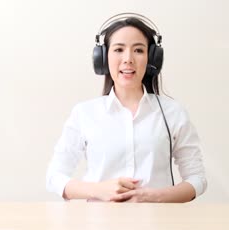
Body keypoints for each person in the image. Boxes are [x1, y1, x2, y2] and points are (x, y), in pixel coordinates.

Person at [46, 13, 207, 202]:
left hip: (157, 226)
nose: (128, 58)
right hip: (98, 226)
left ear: (152, 59)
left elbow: (198, 179)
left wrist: (157, 196)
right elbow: (54, 178)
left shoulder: (173, 112)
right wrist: (98, 190)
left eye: (138, 50)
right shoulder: (84, 113)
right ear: (103, 58)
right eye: (118, 49)